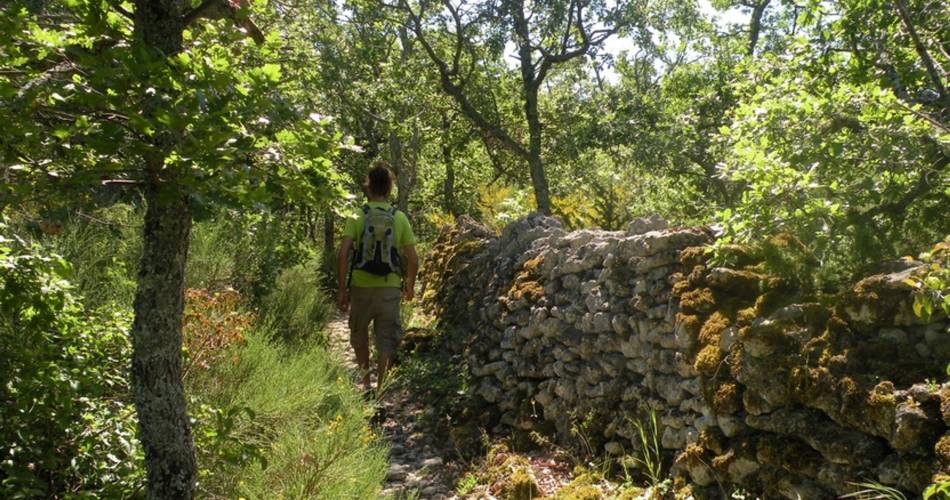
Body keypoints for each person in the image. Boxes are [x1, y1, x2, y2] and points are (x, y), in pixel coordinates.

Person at [336, 162, 418, 392]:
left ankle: (366, 384)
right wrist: (409, 286)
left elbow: (343, 254)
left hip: (361, 286)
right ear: (390, 188)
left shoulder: (356, 216)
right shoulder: (399, 217)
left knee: (359, 336)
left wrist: (342, 289)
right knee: (387, 341)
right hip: (389, 287)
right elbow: (413, 258)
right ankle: (381, 392)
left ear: (368, 186)